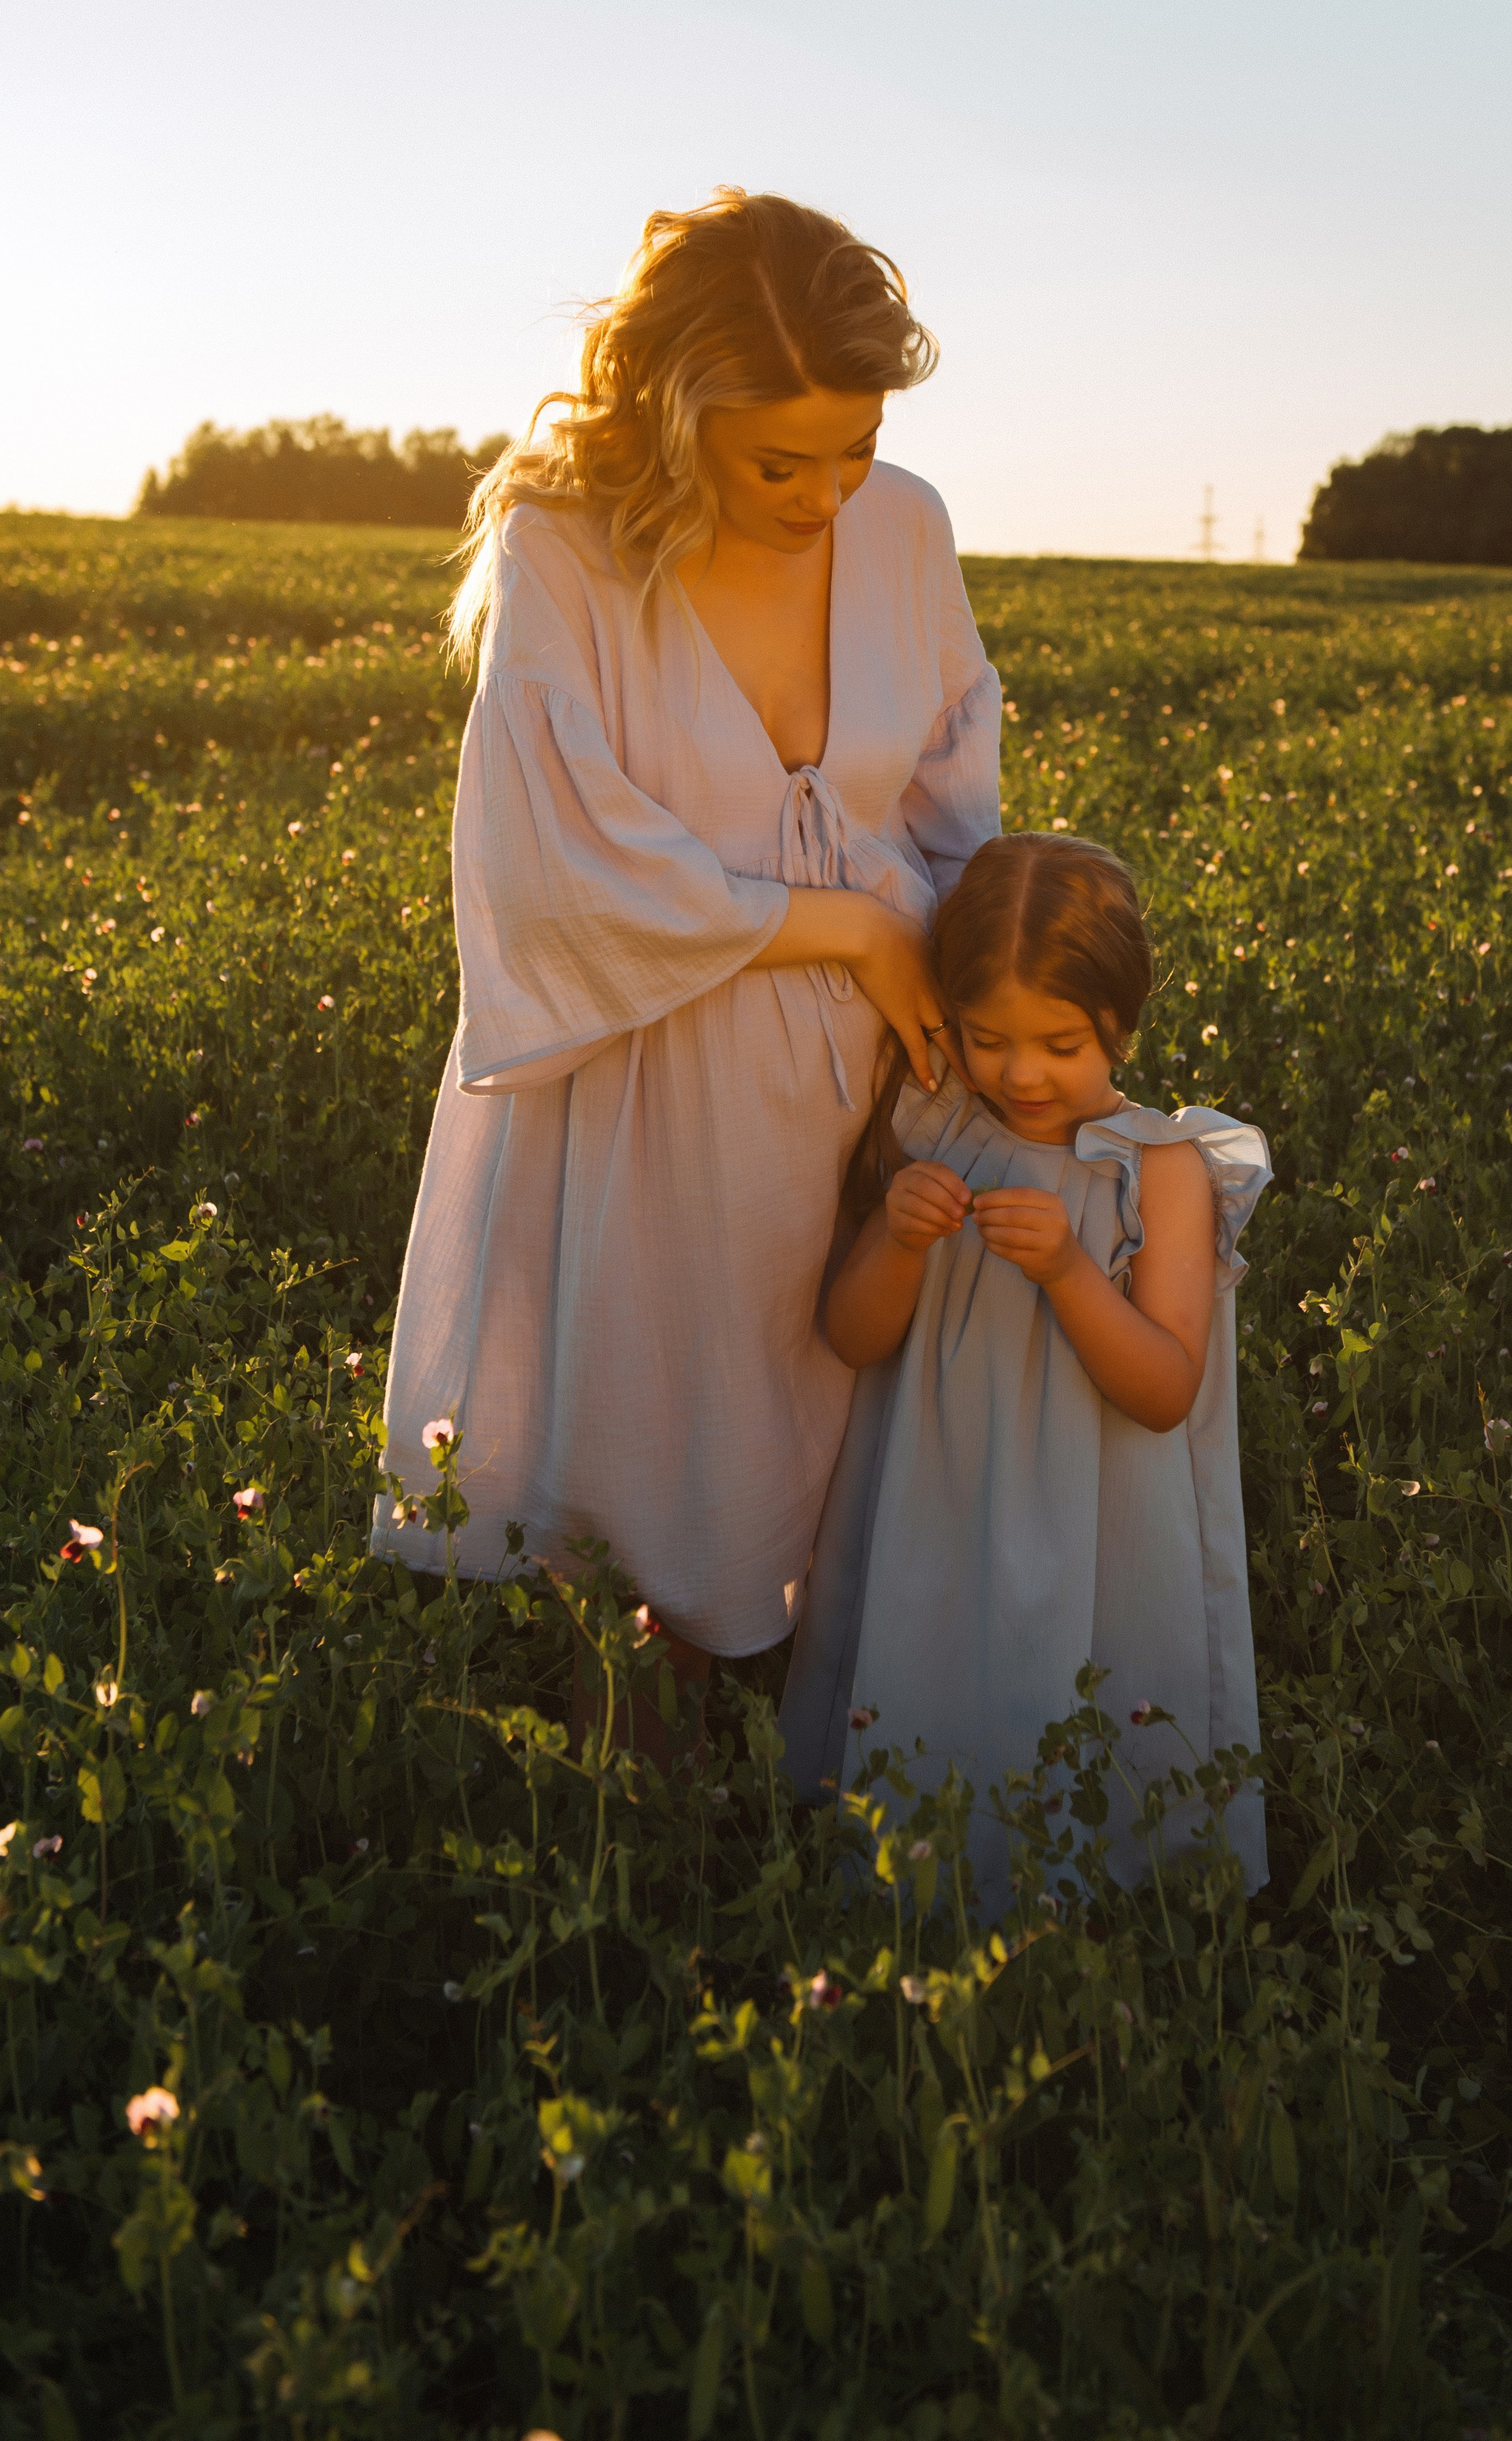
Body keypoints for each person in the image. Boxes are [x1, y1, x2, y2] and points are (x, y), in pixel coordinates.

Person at [373, 190, 1002, 1717]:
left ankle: (807, 1748)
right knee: (654, 1442)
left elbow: (947, 787)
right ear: (671, 415)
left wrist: (969, 986)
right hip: (648, 1061)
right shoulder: (564, 538)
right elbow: (551, 857)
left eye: (852, 447)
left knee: (840, 1405)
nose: (825, 493)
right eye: (778, 460)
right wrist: (843, 923)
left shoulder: (902, 522)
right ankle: (624, 1774)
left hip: (871, 1063)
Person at [779, 832, 1271, 1915]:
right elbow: (853, 1338)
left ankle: (1087, 1903)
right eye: (986, 1037)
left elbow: (1163, 1390)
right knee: (930, 1679)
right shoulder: (933, 1128)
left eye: (1060, 1042)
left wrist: (1067, 1269)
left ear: (1123, 1024)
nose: (1020, 1074)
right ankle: (911, 1887)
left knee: (1078, 1705)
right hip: (938, 1504)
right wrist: (896, 1242)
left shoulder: (1163, 1170)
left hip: (1098, 1527)